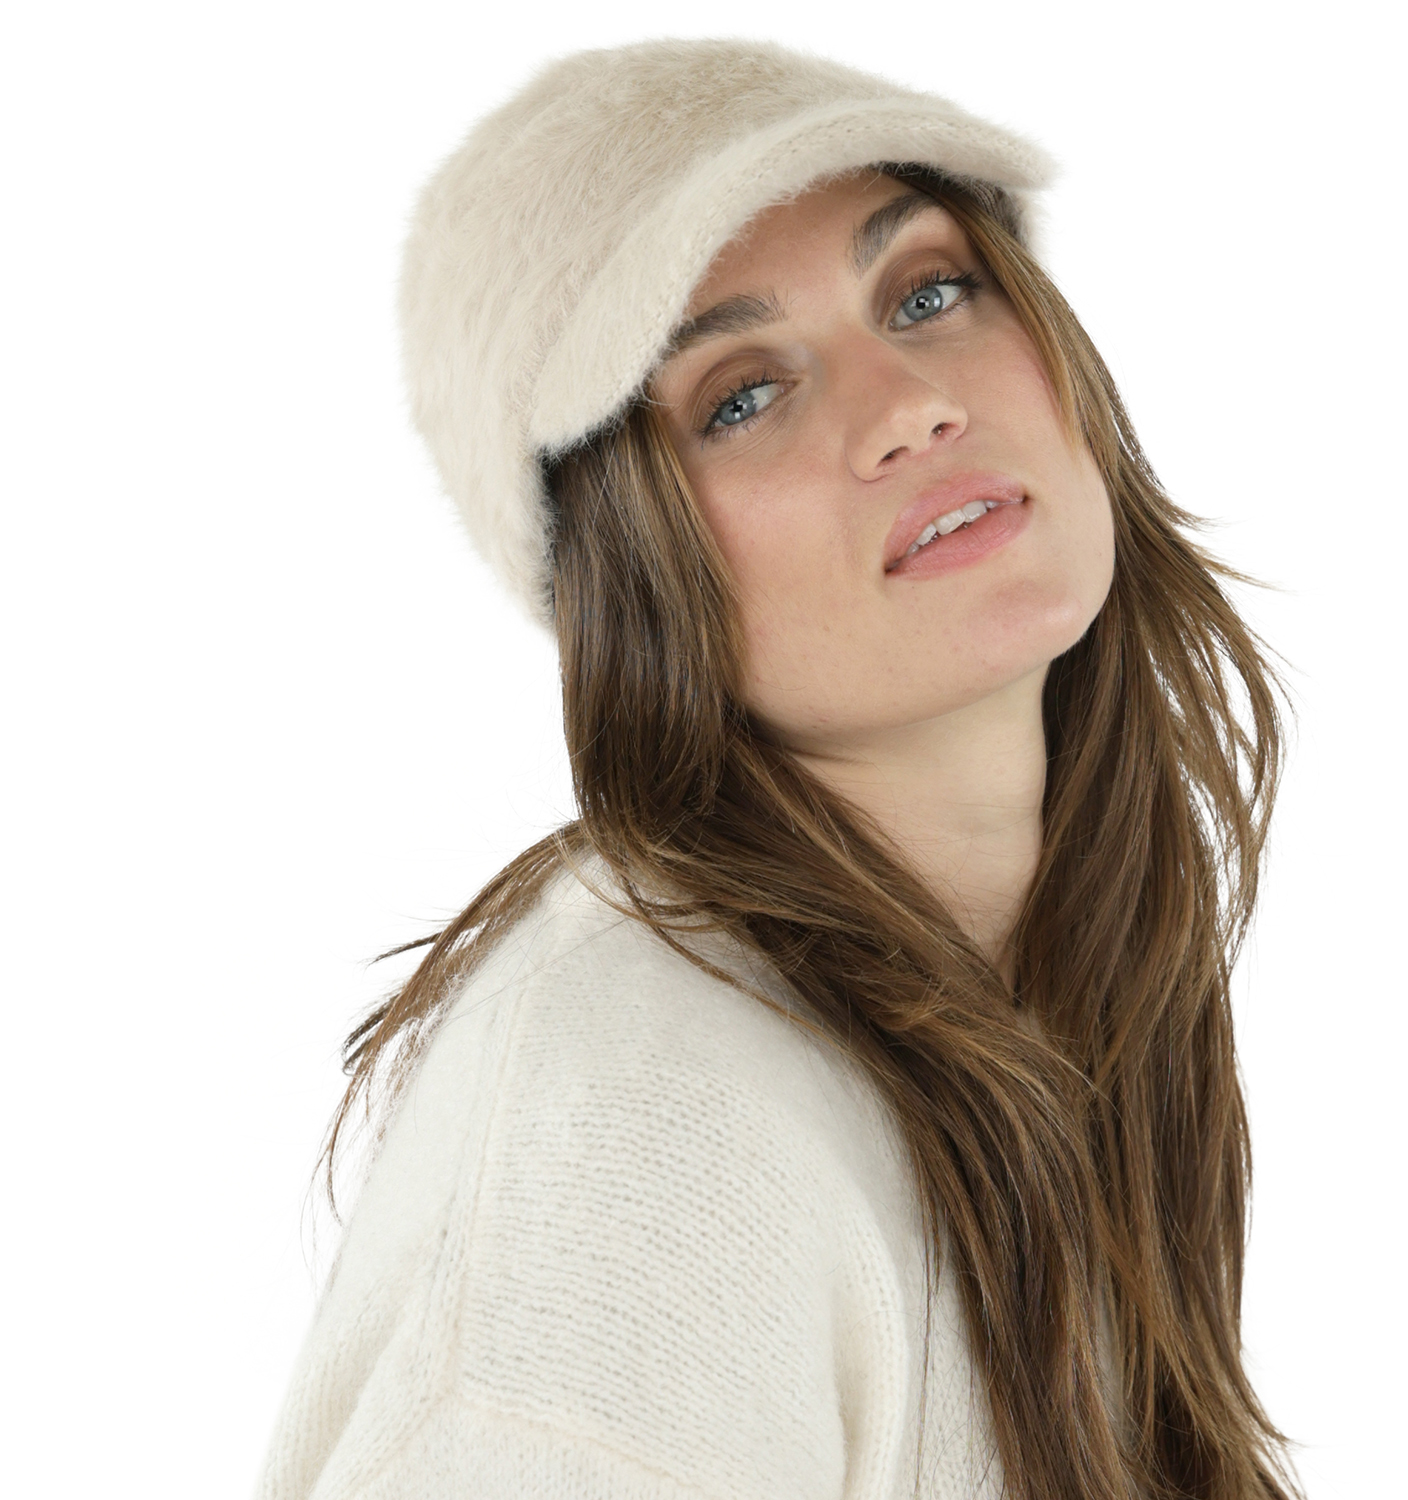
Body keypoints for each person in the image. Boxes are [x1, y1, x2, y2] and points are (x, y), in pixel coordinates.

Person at [256, 38, 1298, 1500]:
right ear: (632, 577)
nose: (910, 405)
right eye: (743, 396)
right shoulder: (646, 1132)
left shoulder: (1070, 994)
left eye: (927, 292)